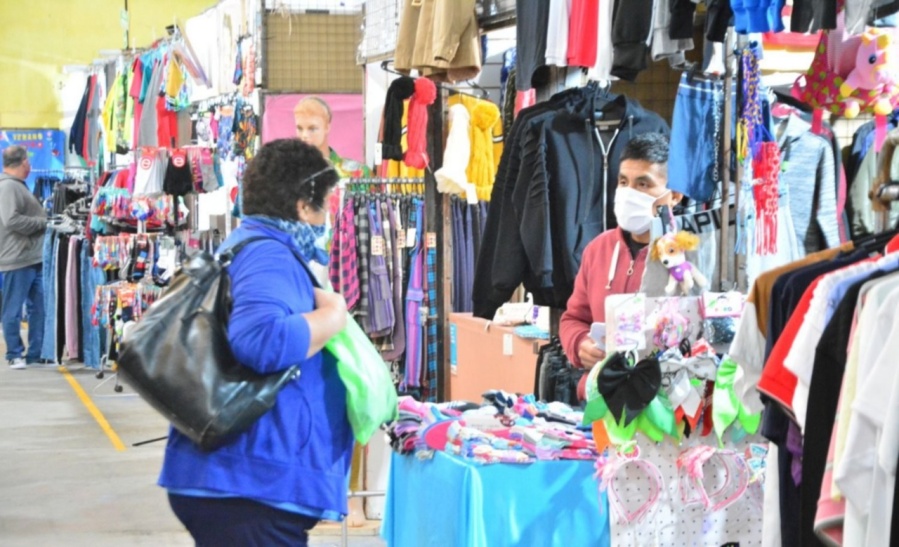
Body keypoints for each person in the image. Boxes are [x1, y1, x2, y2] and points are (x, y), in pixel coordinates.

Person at [158, 139, 354, 546]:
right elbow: (262, 341)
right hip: (251, 484)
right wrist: (332, 317)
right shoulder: (270, 256)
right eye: (327, 201)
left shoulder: (250, 245)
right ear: (303, 204)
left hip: (241, 479)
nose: (328, 213)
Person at [559, 133, 681, 399]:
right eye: (623, 182)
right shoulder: (598, 248)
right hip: (601, 398)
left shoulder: (688, 256)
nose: (629, 193)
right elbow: (573, 318)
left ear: (675, 195)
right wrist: (581, 344)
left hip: (665, 402)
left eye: (643, 184)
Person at [0, 145, 47, 370]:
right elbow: (11, 220)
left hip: (31, 257)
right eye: (28, 161)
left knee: (39, 307)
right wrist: (42, 223)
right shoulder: (8, 187)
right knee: (13, 309)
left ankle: (35, 354)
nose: (30, 165)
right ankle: (14, 353)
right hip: (17, 258)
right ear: (22, 163)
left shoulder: (18, 186)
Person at [293, 96, 371, 179]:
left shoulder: (358, 172)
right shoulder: (287, 174)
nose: (304, 135)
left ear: (327, 127)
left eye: (312, 128)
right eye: (299, 128)